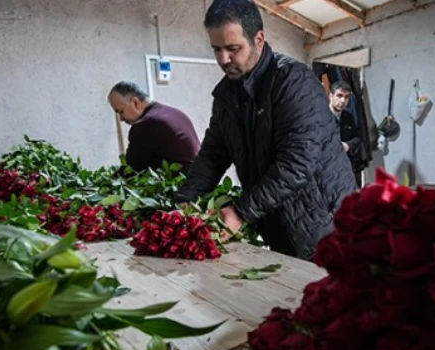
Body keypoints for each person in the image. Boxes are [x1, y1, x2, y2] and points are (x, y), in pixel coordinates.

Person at [175, 0, 357, 261]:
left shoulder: (294, 83)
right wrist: (185, 199)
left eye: (232, 48)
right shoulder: (227, 94)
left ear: (258, 39)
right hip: (277, 219)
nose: (223, 59)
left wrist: (240, 212)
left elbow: (297, 163)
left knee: (333, 295)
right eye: (216, 49)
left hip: (325, 223)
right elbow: (214, 153)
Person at [108, 82, 200, 173]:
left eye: (121, 111)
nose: (121, 119)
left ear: (135, 103)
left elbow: (130, 170)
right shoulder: (175, 113)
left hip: (181, 184)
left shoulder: (145, 125)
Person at [328, 80, 362, 169]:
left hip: (345, 167)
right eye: (339, 96)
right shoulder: (320, 116)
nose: (343, 100)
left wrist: (347, 145)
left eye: (346, 97)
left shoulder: (348, 117)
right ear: (331, 96)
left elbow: (358, 138)